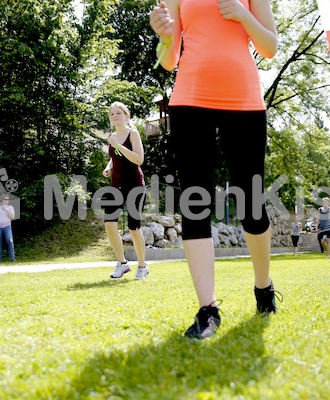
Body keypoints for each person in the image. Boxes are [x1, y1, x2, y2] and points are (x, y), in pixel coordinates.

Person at [150, 0, 279, 339]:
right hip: (190, 99)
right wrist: (164, 36)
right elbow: (169, 60)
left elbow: (269, 48)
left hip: (244, 101)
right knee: (196, 202)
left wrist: (243, 14)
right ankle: (207, 310)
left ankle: (263, 287)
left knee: (251, 202)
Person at [102, 102, 149, 280]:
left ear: (126, 116)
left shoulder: (133, 133)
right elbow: (115, 158)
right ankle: (122, 263)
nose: (115, 116)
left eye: (118, 113)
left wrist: (118, 145)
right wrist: (109, 167)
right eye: (112, 114)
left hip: (135, 185)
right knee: (109, 222)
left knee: (133, 228)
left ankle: (142, 266)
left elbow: (138, 159)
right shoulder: (113, 136)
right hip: (117, 185)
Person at [0, 195, 16, 262]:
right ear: (1, 200)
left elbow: (12, 217)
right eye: (5, 199)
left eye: (8, 200)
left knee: (10, 241)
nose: (6, 201)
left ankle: (12, 258)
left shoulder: (10, 207)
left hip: (7, 227)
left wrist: (6, 209)